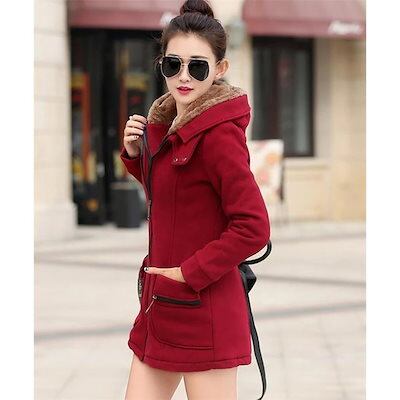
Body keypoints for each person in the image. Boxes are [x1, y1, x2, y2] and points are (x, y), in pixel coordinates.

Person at [120, 0, 271, 399]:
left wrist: (189, 273)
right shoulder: (167, 126)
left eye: (198, 66)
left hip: (205, 313)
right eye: (173, 65)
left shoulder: (220, 135)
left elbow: (253, 226)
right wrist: (136, 156)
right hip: (160, 307)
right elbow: (174, 199)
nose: (183, 77)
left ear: (220, 69)